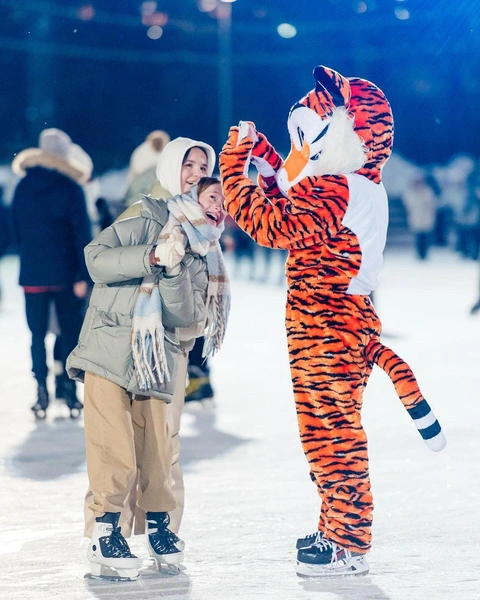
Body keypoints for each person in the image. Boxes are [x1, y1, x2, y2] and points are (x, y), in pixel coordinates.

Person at [220, 65, 446, 578]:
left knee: (332, 435)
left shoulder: (339, 190)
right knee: (326, 431)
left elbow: (271, 224)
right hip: (335, 324)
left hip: (327, 328)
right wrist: (268, 160)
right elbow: (291, 192)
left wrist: (235, 166)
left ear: (346, 132)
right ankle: (335, 526)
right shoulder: (352, 185)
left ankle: (348, 542)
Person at [67, 138, 229, 578]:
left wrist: (174, 269)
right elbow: (95, 259)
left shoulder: (204, 241)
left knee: (160, 447)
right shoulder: (144, 213)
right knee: (112, 445)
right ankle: (106, 533)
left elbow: (185, 314)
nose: (197, 172)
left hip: (159, 357)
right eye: (189, 164)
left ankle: (159, 527)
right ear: (171, 168)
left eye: (204, 166)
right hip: (110, 346)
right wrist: (152, 255)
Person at [11, 128, 92, 419]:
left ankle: (41, 394)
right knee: (70, 332)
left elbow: (16, 231)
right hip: (66, 275)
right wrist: (84, 274)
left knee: (36, 336)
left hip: (32, 274)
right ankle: (70, 394)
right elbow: (82, 234)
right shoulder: (70, 188)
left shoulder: (22, 187)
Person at [123, 130, 171, 207]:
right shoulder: (141, 153)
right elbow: (135, 173)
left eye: (159, 141)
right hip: (141, 186)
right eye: (155, 141)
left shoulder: (169, 153)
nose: (157, 144)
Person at [402, 173, 438, 260]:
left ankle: (425, 253)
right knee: (418, 236)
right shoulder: (410, 192)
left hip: (426, 216)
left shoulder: (427, 191)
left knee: (425, 236)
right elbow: (408, 203)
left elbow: (432, 203)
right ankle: (419, 253)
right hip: (416, 216)